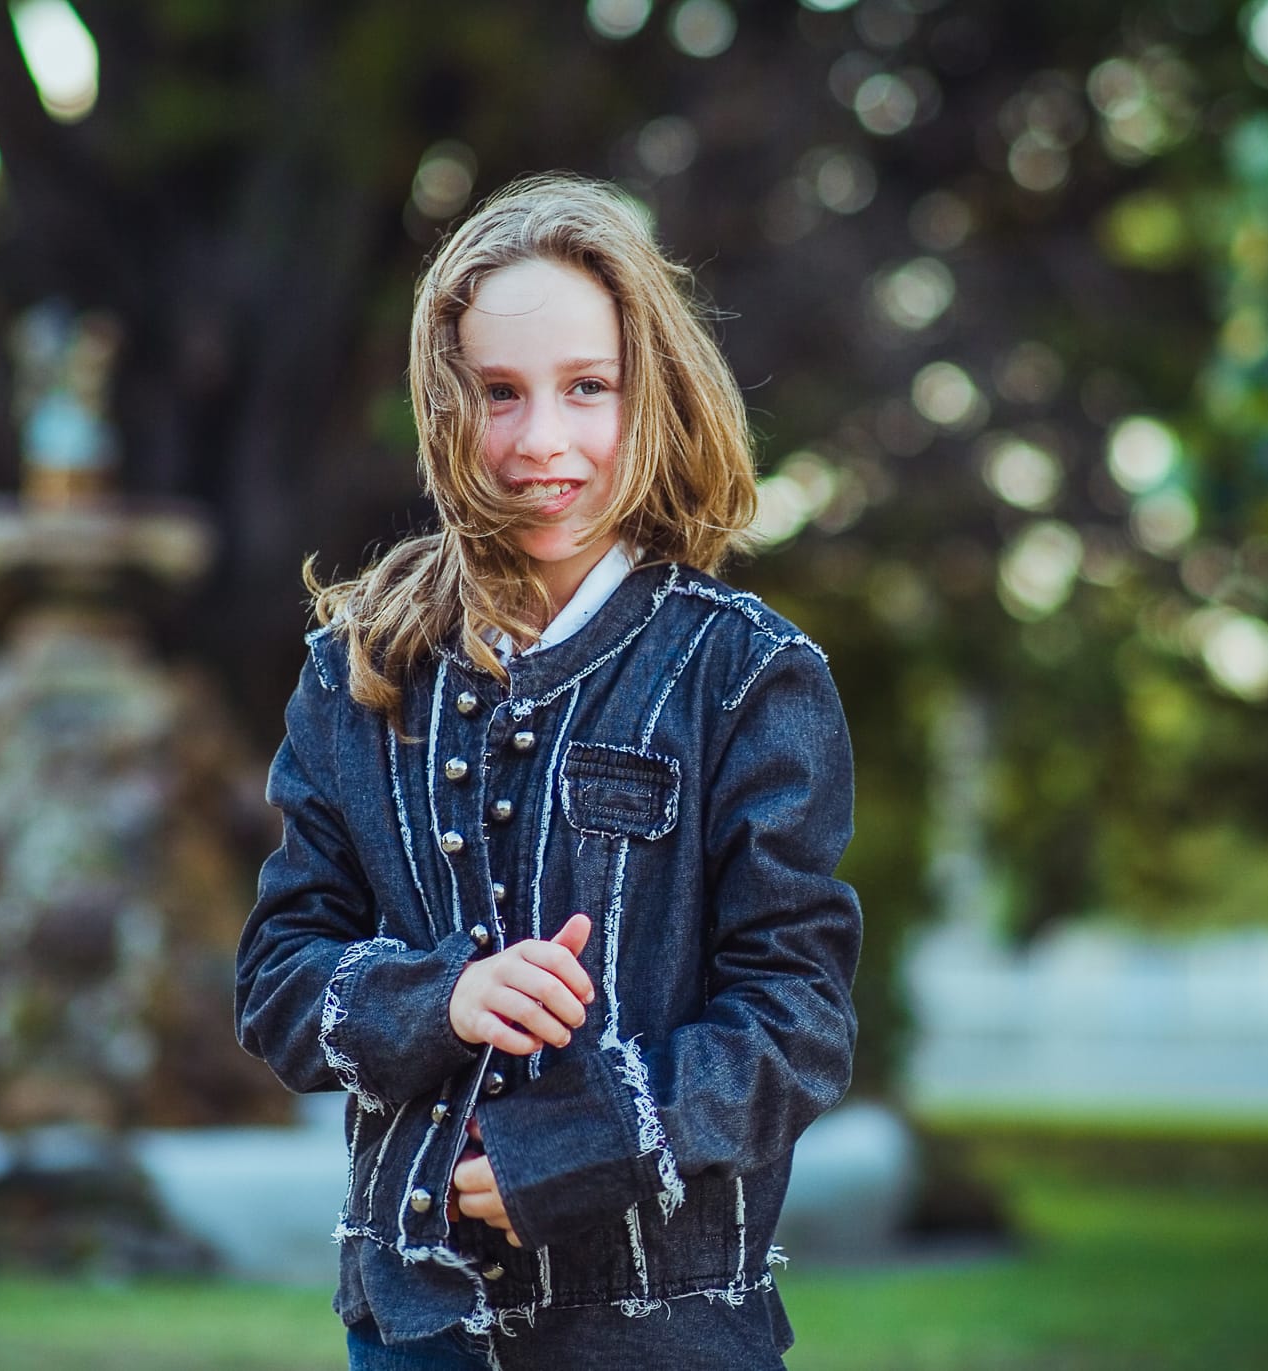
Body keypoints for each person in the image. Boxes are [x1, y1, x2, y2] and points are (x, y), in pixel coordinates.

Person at [235, 174, 861, 1370]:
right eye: (498, 394)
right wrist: (441, 999)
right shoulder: (358, 670)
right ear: (441, 403)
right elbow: (275, 979)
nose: (540, 442)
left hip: (668, 1332)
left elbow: (799, 1020)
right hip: (412, 1328)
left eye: (588, 389)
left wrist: (575, 1152)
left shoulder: (747, 677)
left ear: (653, 396)